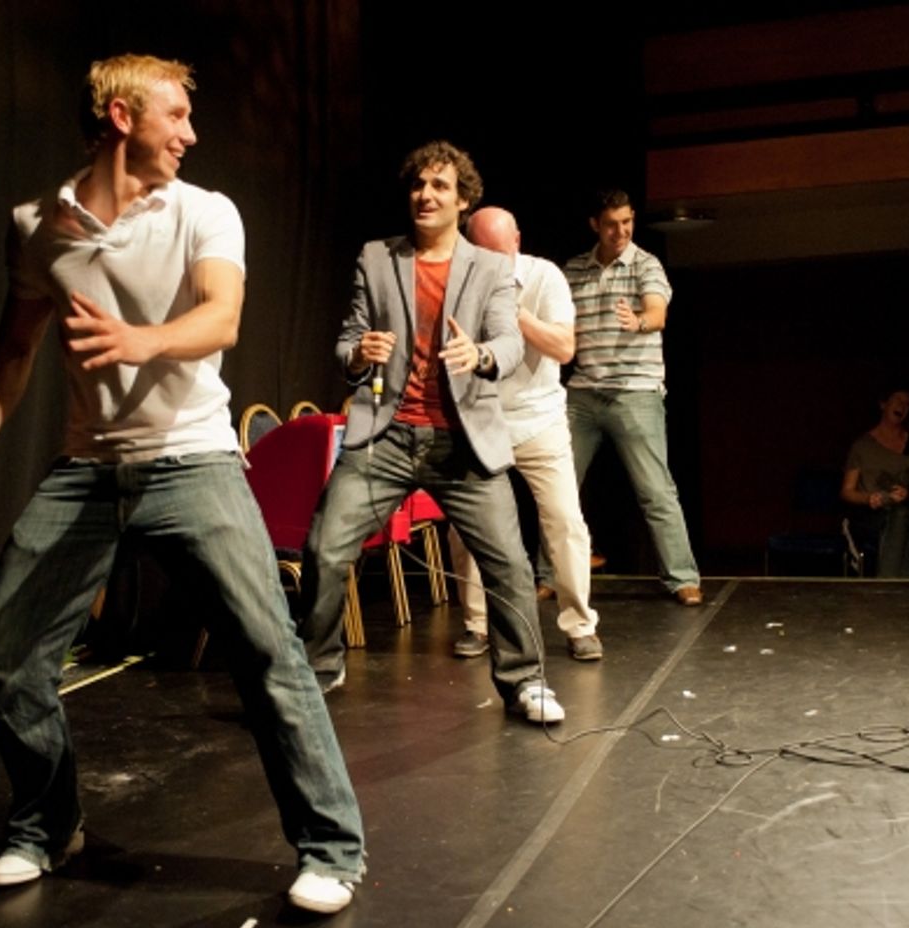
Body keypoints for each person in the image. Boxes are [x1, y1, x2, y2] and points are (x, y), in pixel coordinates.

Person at [0, 54, 364, 914]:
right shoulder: (37, 225)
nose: (192, 134)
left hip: (193, 458)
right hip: (89, 473)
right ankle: (49, 824)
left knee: (269, 652)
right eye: (176, 116)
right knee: (6, 655)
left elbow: (221, 316)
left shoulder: (205, 210)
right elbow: (14, 347)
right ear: (122, 116)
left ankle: (331, 847)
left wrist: (139, 340)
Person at [297, 141, 563, 724]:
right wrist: (357, 356)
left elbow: (511, 342)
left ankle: (524, 681)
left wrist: (483, 354)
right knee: (323, 549)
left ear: (463, 200)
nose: (426, 194)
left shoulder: (491, 268)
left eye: (441, 186)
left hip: (461, 442)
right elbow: (347, 339)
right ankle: (320, 667)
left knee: (510, 566)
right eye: (419, 184)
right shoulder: (376, 257)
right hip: (385, 438)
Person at [446, 207, 601, 662]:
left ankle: (580, 624)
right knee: (466, 528)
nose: (493, 262)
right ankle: (476, 624)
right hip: (481, 418)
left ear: (517, 241)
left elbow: (565, 347)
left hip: (539, 418)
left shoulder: (545, 277)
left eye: (501, 251)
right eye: (482, 253)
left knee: (565, 520)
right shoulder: (459, 282)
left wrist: (515, 315)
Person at [562, 190, 703, 605]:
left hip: (635, 391)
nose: (620, 230)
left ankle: (682, 577)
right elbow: (560, 324)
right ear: (595, 225)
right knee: (558, 488)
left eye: (627, 221)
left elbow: (658, 314)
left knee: (655, 490)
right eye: (611, 223)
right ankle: (552, 574)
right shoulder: (573, 270)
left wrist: (638, 321)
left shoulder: (646, 264)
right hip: (584, 393)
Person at [840, 386, 909, 577]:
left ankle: (886, 587)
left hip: (903, 511)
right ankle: (895, 589)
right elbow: (847, 491)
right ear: (883, 404)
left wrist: (907, 494)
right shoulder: (862, 445)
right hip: (871, 515)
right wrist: (869, 498)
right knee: (903, 529)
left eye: (907, 403)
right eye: (897, 400)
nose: (902, 407)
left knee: (902, 515)